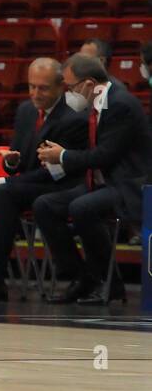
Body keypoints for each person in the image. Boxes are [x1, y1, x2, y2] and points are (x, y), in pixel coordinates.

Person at [0, 58, 87, 300]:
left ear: (60, 87)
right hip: (24, 184)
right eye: (32, 87)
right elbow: (21, 162)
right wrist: (10, 162)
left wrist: (2, 181)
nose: (35, 93)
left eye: (43, 88)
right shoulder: (26, 111)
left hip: (54, 188)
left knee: (3, 193)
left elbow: (53, 172)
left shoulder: (73, 118)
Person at [34, 54, 152, 304]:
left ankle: (110, 283)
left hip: (127, 184)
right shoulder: (99, 104)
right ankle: (83, 277)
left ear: (88, 84)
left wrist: (63, 156)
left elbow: (105, 156)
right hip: (101, 183)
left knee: (83, 207)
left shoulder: (121, 104)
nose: (68, 94)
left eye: (70, 87)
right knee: (45, 205)